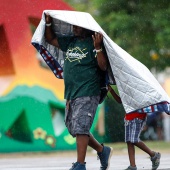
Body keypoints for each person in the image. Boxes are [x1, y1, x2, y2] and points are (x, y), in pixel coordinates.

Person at [44, 13, 113, 170]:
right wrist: (48, 24)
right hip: (71, 93)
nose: (74, 28)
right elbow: (50, 39)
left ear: (86, 28)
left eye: (77, 26)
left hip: (89, 91)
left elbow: (103, 66)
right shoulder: (71, 41)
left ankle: (80, 164)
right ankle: (103, 151)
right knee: (74, 128)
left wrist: (97, 48)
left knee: (81, 127)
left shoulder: (93, 43)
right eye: (73, 26)